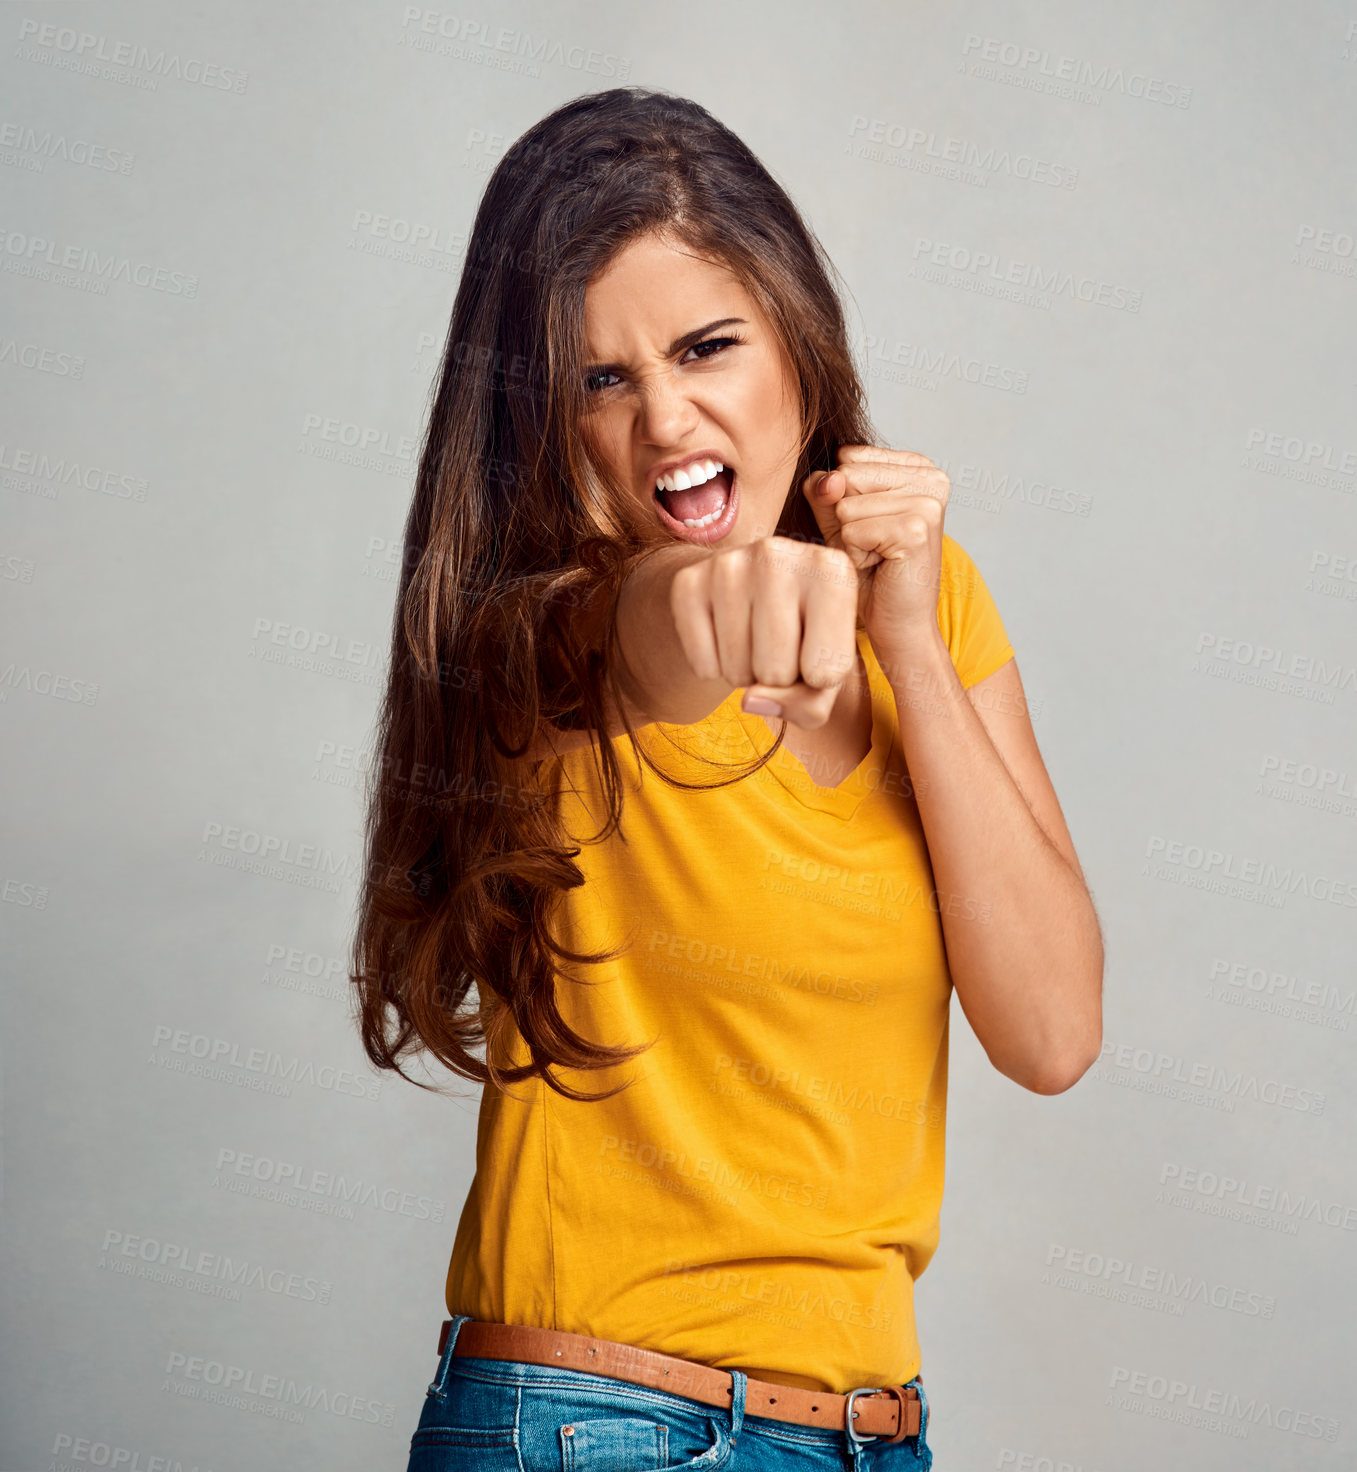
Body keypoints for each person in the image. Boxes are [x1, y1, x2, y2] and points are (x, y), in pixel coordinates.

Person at [350, 86, 1104, 1472]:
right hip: (597, 1425)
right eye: (600, 380)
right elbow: (674, 634)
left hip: (869, 1433)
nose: (664, 419)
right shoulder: (538, 632)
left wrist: (906, 647)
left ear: (796, 349)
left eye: (707, 348)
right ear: (543, 418)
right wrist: (729, 596)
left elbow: (1050, 1034)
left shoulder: (930, 611)